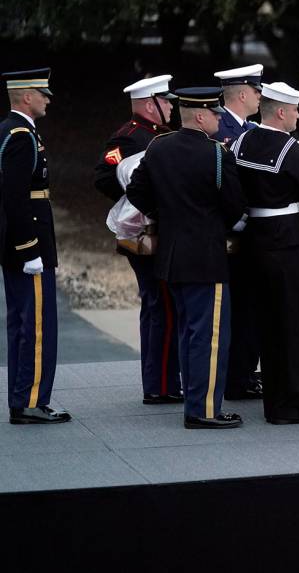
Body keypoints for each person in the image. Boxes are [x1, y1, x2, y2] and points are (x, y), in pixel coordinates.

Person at [126, 87, 246, 429]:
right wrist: (211, 224)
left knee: (188, 332)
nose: (219, 120)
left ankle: (195, 403)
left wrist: (164, 214)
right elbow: (234, 204)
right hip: (206, 257)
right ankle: (204, 410)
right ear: (200, 115)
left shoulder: (158, 146)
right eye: (215, 114)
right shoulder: (217, 154)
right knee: (209, 337)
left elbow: (136, 191)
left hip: (172, 256)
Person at [230, 82, 299, 423]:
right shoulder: (297, 154)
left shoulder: (240, 143)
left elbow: (231, 190)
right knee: (298, 326)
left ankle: (275, 400)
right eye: (296, 109)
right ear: (282, 112)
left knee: (267, 325)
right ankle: (295, 402)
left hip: (251, 244)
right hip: (285, 247)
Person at [94, 75, 182, 404]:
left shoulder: (157, 136)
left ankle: (163, 382)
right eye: (166, 101)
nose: (171, 106)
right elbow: (105, 177)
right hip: (146, 233)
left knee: (161, 306)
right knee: (161, 307)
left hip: (157, 230)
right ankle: (160, 385)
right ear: (150, 104)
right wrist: (140, 199)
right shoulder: (131, 138)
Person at [0, 67, 71, 424]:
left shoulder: (15, 131)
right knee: (36, 326)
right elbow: (14, 198)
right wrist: (29, 248)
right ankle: (29, 401)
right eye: (43, 94)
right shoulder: (20, 136)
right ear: (26, 96)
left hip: (22, 243)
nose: (47, 100)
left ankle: (22, 397)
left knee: (23, 323)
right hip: (29, 245)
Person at [213, 64, 264, 400]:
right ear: (243, 93)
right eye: (258, 92)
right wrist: (235, 217)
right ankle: (232, 378)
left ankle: (244, 373)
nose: (261, 97)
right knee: (233, 311)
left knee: (250, 309)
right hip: (226, 233)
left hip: (249, 231)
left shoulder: (253, 129)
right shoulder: (219, 127)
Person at [212, 64, 263, 143]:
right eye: (255, 92)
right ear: (242, 96)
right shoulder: (215, 126)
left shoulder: (254, 129)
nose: (259, 96)